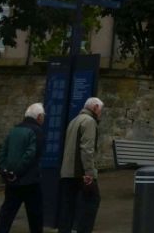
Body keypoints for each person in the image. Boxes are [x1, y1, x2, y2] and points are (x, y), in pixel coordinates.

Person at [0, 103, 45, 233]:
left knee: (7, 214)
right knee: (35, 216)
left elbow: (2, 152)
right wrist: (16, 172)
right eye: (43, 116)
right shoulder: (37, 131)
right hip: (30, 181)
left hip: (11, 181)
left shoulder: (14, 130)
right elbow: (31, 155)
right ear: (39, 116)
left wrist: (6, 171)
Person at [58, 97, 103, 233]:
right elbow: (87, 149)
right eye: (100, 110)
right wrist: (89, 173)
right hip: (80, 172)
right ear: (95, 107)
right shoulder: (89, 121)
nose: (100, 113)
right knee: (91, 203)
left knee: (68, 208)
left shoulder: (74, 121)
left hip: (67, 172)